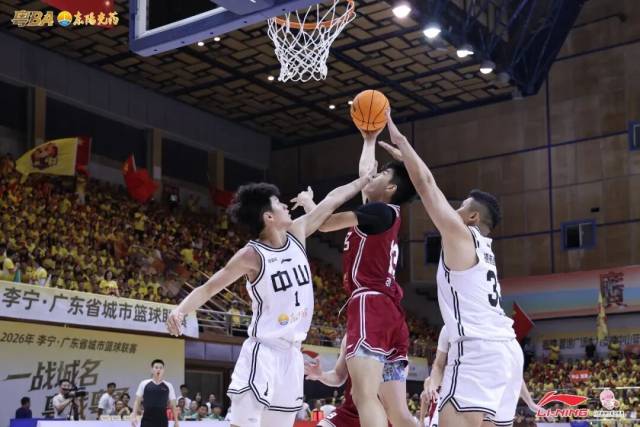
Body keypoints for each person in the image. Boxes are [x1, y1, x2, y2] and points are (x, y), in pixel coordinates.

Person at [167, 174, 375, 427]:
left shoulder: (297, 232)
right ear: (268, 217)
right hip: (263, 352)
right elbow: (209, 287)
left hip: (293, 355)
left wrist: (362, 181)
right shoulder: (251, 255)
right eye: (278, 203)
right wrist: (180, 310)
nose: (285, 205)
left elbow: (331, 200)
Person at [379, 109, 523, 427]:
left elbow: (427, 185)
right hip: (508, 353)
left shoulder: (462, 236)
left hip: (477, 352)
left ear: (473, 217)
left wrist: (402, 142)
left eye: (460, 207)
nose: (453, 212)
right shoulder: (486, 250)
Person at [298, 127, 417, 427]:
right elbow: (366, 173)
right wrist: (369, 139)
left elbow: (324, 224)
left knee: (363, 396)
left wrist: (310, 204)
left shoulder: (380, 212)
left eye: (381, 175)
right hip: (391, 314)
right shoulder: (381, 215)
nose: (373, 176)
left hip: (370, 303)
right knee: (398, 413)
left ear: (390, 189)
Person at [422, 325, 541, 427]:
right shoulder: (449, 327)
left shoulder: (498, 329)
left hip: (489, 394)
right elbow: (438, 365)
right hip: (462, 396)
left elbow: (514, 374)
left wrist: (530, 402)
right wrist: (422, 418)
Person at [305, 336, 391, 427]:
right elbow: (338, 376)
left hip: (380, 415)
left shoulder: (393, 338)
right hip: (349, 411)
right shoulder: (349, 336)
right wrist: (321, 375)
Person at [131, 359, 179, 427]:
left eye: (161, 368)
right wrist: (134, 416)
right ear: (151, 370)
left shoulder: (169, 385)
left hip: (162, 421)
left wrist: (176, 421)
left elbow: (173, 405)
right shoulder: (144, 383)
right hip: (147, 420)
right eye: (156, 367)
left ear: (163, 370)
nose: (158, 370)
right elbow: (137, 401)